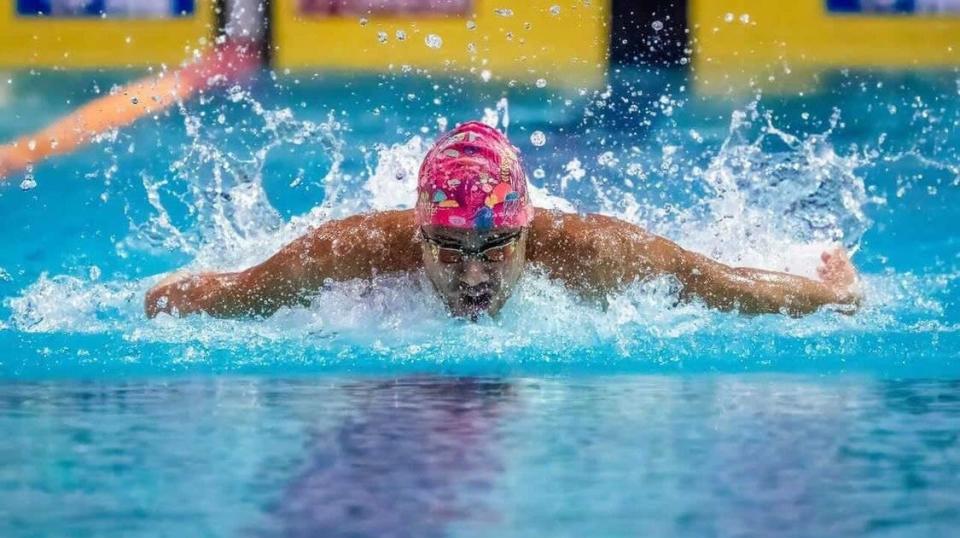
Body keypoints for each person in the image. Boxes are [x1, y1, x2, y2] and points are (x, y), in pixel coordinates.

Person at [144, 120, 861, 321]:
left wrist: (834, 296)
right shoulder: (352, 250)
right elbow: (231, 293)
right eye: (450, 248)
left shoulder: (597, 253)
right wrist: (158, 297)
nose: (473, 272)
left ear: (527, 231)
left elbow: (729, 286)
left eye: (493, 246)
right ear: (418, 234)